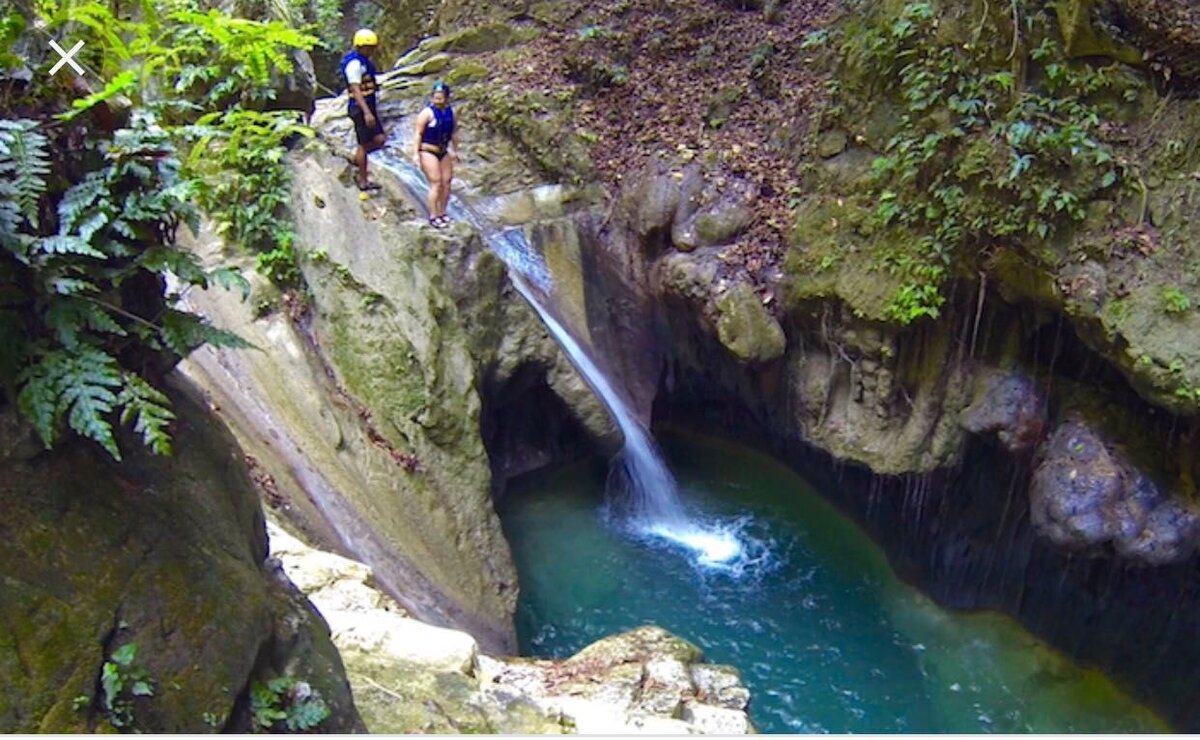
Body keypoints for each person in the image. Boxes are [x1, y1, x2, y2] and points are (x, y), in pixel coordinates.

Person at [342, 29, 386, 191]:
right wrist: (367, 112)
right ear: (361, 47)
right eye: (369, 47)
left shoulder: (363, 62)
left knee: (380, 139)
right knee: (363, 143)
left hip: (369, 106)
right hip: (360, 108)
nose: (372, 50)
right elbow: (355, 89)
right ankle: (363, 180)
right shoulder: (354, 64)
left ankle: (358, 158)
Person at [413, 81, 458, 227]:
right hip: (428, 150)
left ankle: (442, 212)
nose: (438, 100)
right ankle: (433, 215)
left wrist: (455, 150)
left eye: (441, 97)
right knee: (436, 182)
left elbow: (454, 132)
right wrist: (415, 153)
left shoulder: (451, 112)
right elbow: (418, 134)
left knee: (447, 182)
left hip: (443, 150)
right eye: (435, 97)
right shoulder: (427, 113)